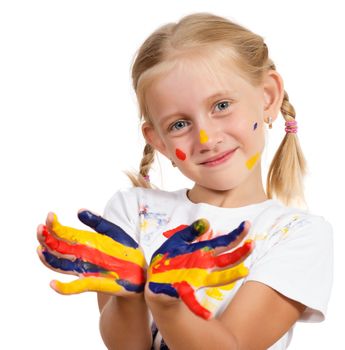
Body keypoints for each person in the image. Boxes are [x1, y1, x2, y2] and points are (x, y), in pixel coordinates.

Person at [36, 12, 333, 350]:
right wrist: (129, 295)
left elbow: (233, 345)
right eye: (179, 124)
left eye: (221, 105)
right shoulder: (133, 211)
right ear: (158, 140)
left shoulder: (296, 234)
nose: (206, 138)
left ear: (267, 96)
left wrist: (169, 304)